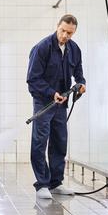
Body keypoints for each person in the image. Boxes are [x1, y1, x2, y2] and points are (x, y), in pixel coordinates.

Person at [26, 14, 86, 199]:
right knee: (40, 142)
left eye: (70, 33)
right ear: (57, 26)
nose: (65, 36)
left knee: (60, 141)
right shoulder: (42, 48)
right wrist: (51, 93)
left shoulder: (74, 49)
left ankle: (55, 183)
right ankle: (42, 184)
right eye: (63, 31)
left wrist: (82, 84)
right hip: (44, 102)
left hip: (62, 103)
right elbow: (32, 79)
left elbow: (78, 72)